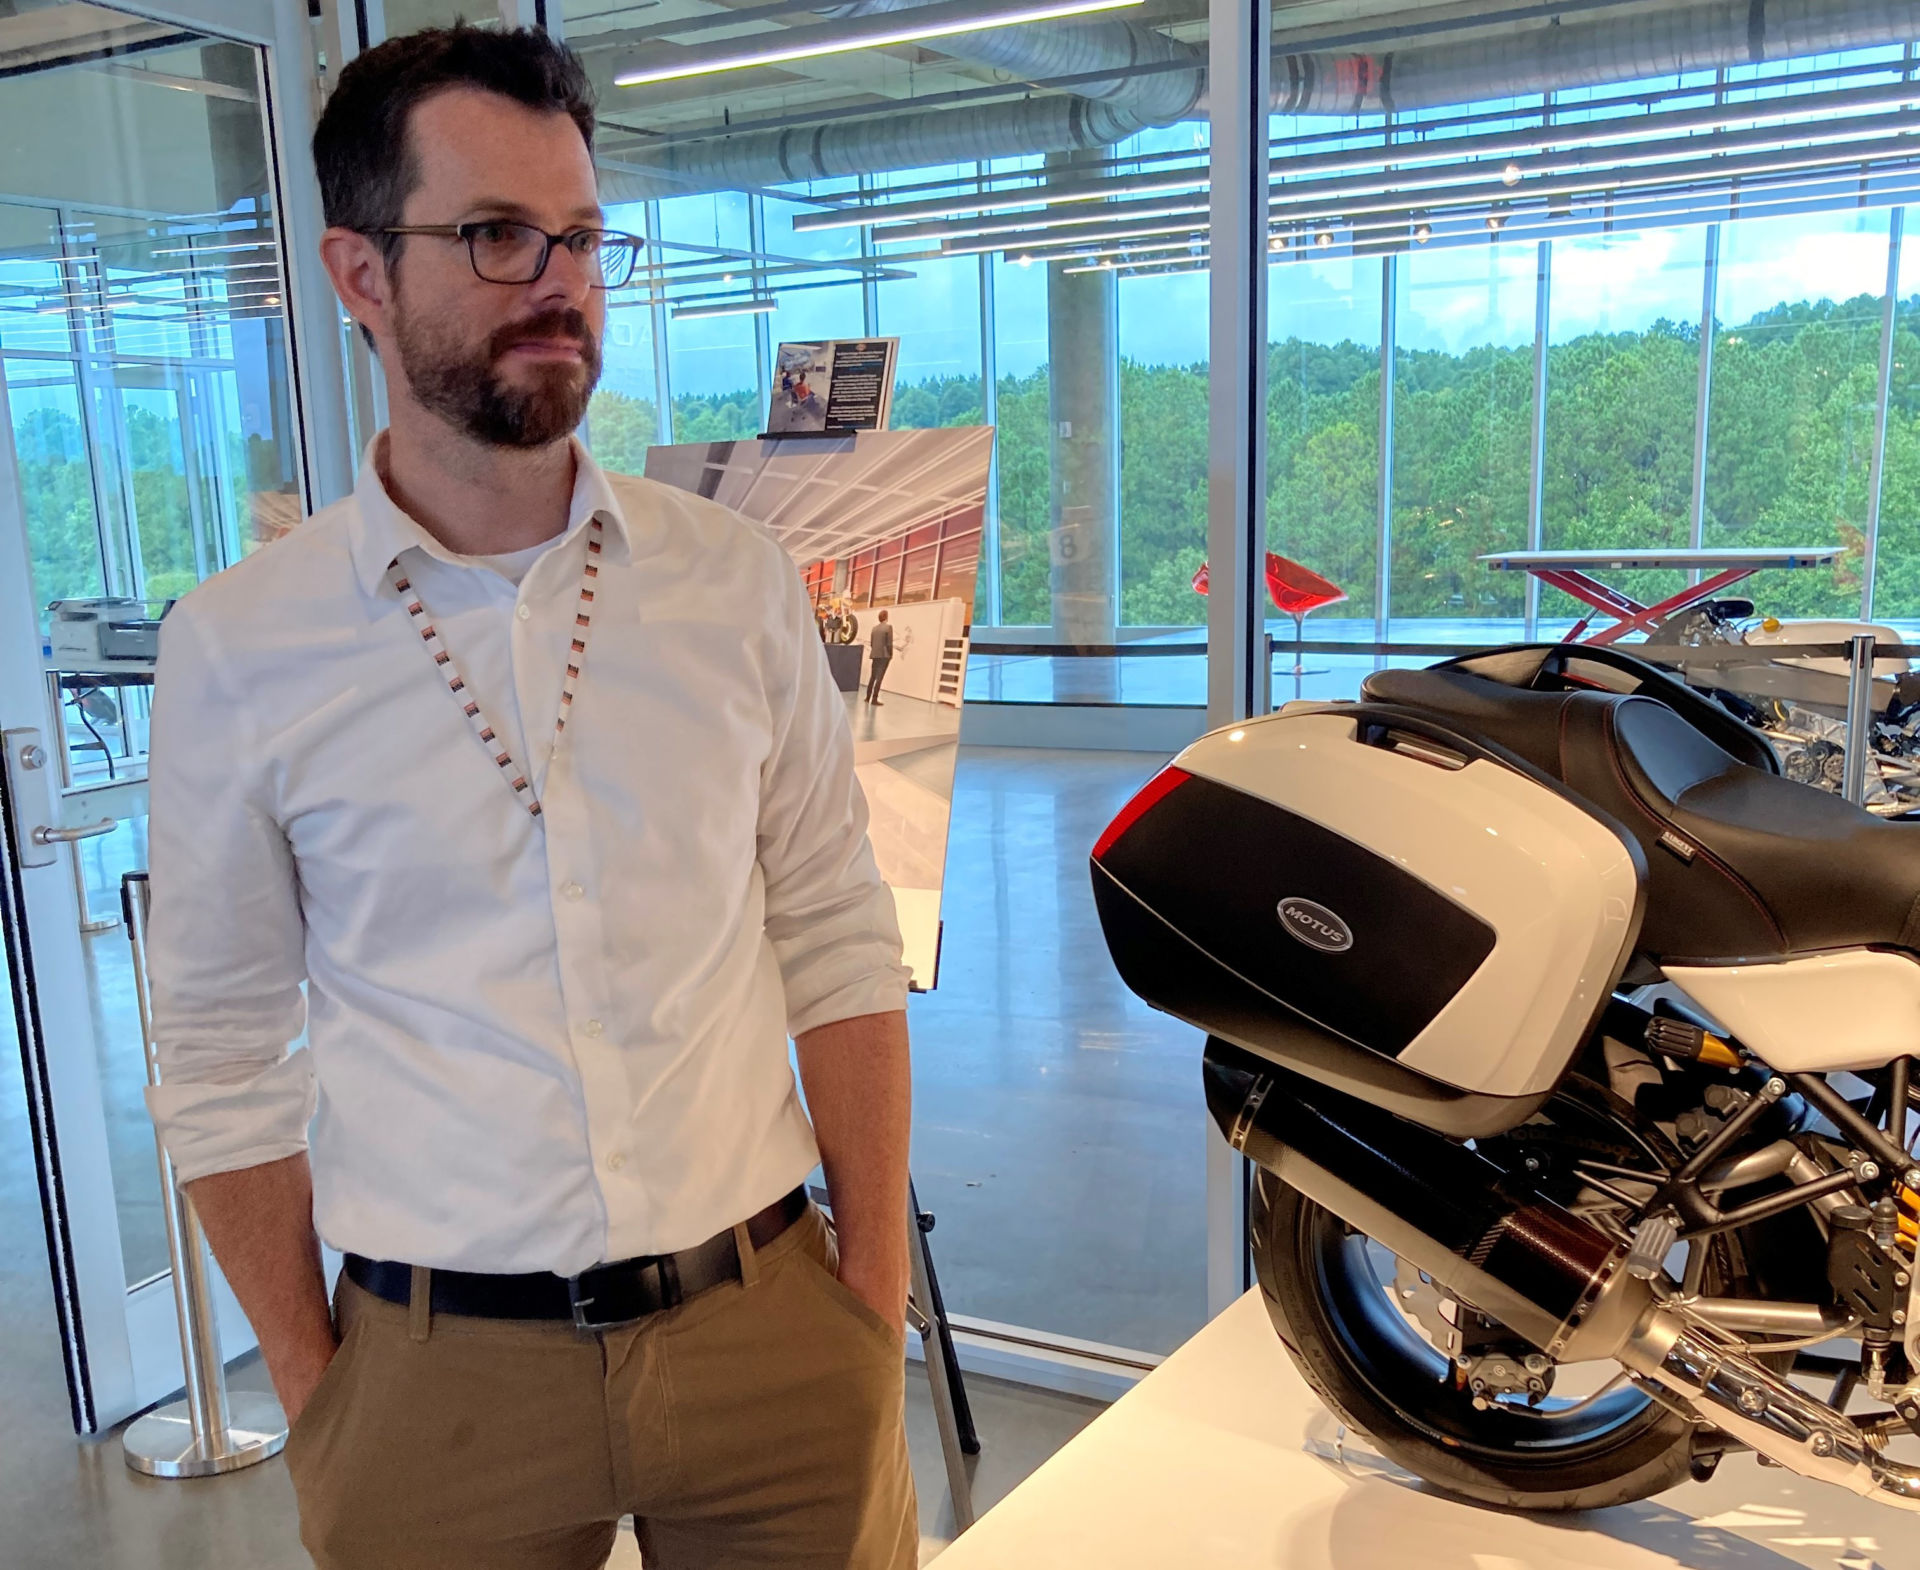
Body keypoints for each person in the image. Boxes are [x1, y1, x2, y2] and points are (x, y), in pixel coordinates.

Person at [143, 26, 916, 1570]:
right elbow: (221, 1050)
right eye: (497, 235)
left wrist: (868, 1306)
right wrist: (322, 1392)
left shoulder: (732, 587)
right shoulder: (242, 648)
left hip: (769, 1329)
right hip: (438, 1382)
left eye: (578, 236)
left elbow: (837, 930)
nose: (558, 279)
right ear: (361, 273)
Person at [866, 609, 894, 705]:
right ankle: (874, 699)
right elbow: (889, 644)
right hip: (884, 655)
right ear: (886, 617)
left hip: (875, 655)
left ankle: (867, 696)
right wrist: (890, 654)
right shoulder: (888, 628)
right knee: (879, 678)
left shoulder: (874, 628)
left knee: (873, 676)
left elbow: (872, 642)